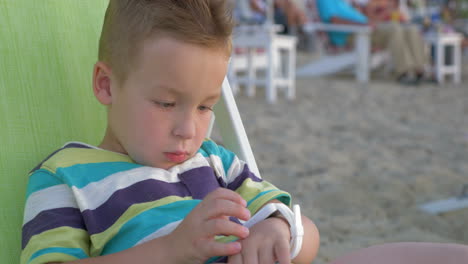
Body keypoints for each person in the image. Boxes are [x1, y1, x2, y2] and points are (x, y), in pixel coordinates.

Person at [20, 1, 319, 264]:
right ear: (106, 85)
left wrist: (278, 227)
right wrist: (170, 251)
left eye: (205, 107)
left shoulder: (216, 162)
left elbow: (305, 235)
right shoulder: (65, 176)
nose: (188, 131)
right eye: (166, 103)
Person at [316, 0, 429, 85]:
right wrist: (362, 25)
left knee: (410, 28)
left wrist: (370, 21)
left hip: (365, 28)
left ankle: (420, 70)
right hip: (353, 34)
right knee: (394, 29)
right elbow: (334, 20)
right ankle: (403, 72)